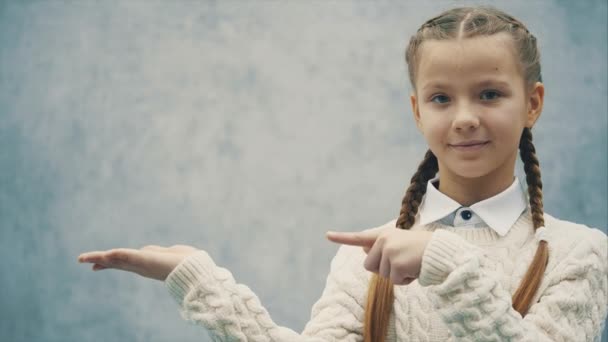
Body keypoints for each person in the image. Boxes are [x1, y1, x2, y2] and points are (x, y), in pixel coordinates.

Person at [77, 5, 608, 341]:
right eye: (441, 97)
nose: (465, 117)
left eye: (490, 93)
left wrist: (441, 259)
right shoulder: (368, 258)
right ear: (417, 110)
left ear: (533, 103)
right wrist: (197, 278)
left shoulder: (578, 254)